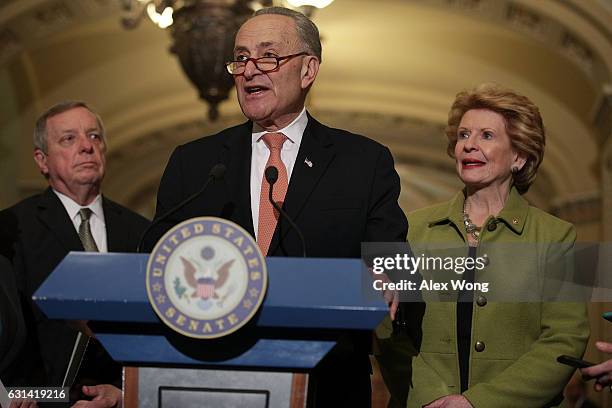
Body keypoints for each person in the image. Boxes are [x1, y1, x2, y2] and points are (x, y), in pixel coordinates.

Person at [144, 6, 417, 407]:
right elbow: (155, 261)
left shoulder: (363, 161)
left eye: (268, 56)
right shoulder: (196, 164)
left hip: (326, 383)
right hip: (210, 379)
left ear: (308, 70)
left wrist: (388, 277)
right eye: (240, 58)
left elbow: (393, 259)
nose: (250, 70)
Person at [381, 83, 589, 407]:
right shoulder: (409, 230)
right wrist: (429, 396)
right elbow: (387, 329)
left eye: (486, 136)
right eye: (463, 136)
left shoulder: (556, 237)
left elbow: (564, 340)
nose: (468, 146)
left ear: (519, 156)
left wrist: (478, 403)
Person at [0, 101, 149, 408]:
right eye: (69, 139)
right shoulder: (10, 230)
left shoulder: (143, 232)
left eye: (94, 136)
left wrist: (125, 395)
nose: (86, 146)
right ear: (42, 160)